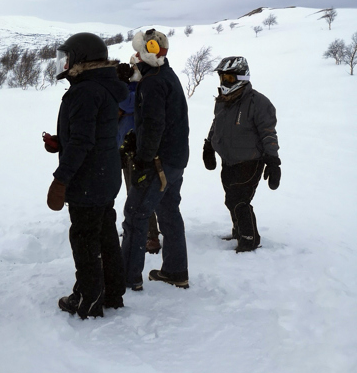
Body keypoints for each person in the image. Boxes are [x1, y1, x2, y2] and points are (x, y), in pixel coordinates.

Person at [44, 32, 128, 319]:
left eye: (66, 59)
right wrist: (61, 141)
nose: (62, 64)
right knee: (104, 233)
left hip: (88, 178)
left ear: (81, 59)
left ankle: (89, 299)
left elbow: (82, 141)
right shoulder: (99, 86)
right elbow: (90, 132)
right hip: (104, 173)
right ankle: (113, 292)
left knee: (84, 238)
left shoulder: (84, 91)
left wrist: (61, 178)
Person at [120, 29, 190, 291]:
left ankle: (127, 278)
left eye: (139, 51)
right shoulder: (166, 76)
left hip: (159, 163)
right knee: (169, 212)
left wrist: (143, 159)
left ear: (149, 52)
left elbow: (153, 125)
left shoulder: (152, 83)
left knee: (135, 215)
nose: (135, 56)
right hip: (175, 159)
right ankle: (175, 271)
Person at [203, 56, 280, 253]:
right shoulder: (222, 101)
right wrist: (209, 146)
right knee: (231, 198)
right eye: (222, 78)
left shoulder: (258, 102)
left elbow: (268, 133)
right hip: (228, 159)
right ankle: (238, 230)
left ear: (242, 78)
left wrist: (273, 161)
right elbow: (216, 124)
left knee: (239, 199)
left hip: (251, 159)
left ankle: (249, 239)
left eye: (229, 78)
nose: (224, 83)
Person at [116, 61, 161, 254]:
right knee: (132, 193)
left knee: (139, 193)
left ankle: (151, 235)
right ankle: (137, 230)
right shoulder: (128, 88)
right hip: (123, 146)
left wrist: (121, 88)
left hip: (138, 149)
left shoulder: (141, 90)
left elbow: (128, 103)